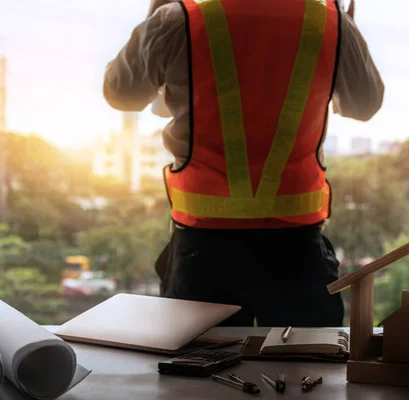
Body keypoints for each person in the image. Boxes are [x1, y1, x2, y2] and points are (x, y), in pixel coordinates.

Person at [103, 0, 384, 327]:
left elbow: (121, 94)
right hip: (296, 250)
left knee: (197, 373)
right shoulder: (329, 22)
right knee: (308, 369)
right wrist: (344, 40)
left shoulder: (178, 19)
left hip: (203, 249)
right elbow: (364, 104)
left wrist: (157, 18)